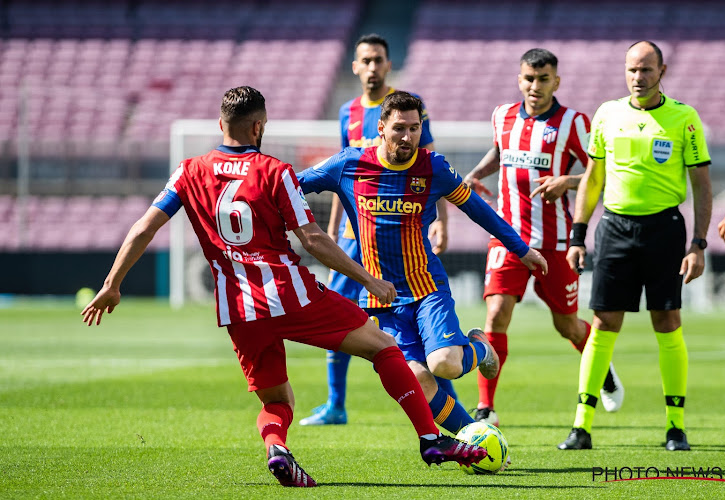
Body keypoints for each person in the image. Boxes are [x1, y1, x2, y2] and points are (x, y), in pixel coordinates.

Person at [80, 86, 487, 488]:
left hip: (238, 308)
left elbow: (143, 228)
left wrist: (112, 284)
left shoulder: (188, 171)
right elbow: (312, 240)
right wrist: (368, 280)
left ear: (221, 123)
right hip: (291, 294)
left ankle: (277, 449)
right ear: (259, 127)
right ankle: (431, 440)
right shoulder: (274, 171)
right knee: (384, 347)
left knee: (277, 402)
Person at [298, 91, 548, 437]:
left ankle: (478, 346)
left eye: (415, 128)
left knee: (444, 363)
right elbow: (292, 185)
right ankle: (474, 440)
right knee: (417, 378)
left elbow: (478, 209)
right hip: (381, 300)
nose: (408, 137)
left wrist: (520, 249)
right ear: (381, 128)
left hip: (427, 288)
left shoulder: (433, 167)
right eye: (399, 128)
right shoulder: (348, 164)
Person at [557, 41, 712, 451]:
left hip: (665, 230)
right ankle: (581, 426)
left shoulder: (684, 118)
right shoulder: (607, 114)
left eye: (645, 70)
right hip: (615, 229)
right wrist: (578, 235)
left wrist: (698, 243)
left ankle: (676, 427)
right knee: (605, 323)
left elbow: (701, 184)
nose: (637, 77)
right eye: (631, 70)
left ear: (662, 71)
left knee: (667, 321)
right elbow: (592, 178)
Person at [462, 48, 624, 427]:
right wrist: (476, 175)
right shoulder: (502, 115)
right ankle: (486, 408)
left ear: (557, 81)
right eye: (528, 79)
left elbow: (603, 173)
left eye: (543, 79)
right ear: (520, 79)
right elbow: (500, 153)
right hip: (507, 237)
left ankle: (602, 368)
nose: (535, 86)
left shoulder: (573, 123)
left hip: (556, 243)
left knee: (566, 325)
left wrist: (565, 181)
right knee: (496, 314)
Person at [301, 33, 453, 426]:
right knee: (337, 312)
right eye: (365, 60)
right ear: (355, 66)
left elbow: (430, 169)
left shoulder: (405, 109)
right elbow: (343, 176)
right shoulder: (346, 112)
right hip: (352, 241)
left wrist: (440, 224)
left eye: (378, 60)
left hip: (396, 237)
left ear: (388, 65)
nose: (371, 67)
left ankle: (446, 403)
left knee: (417, 340)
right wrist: (333, 231)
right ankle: (336, 403)